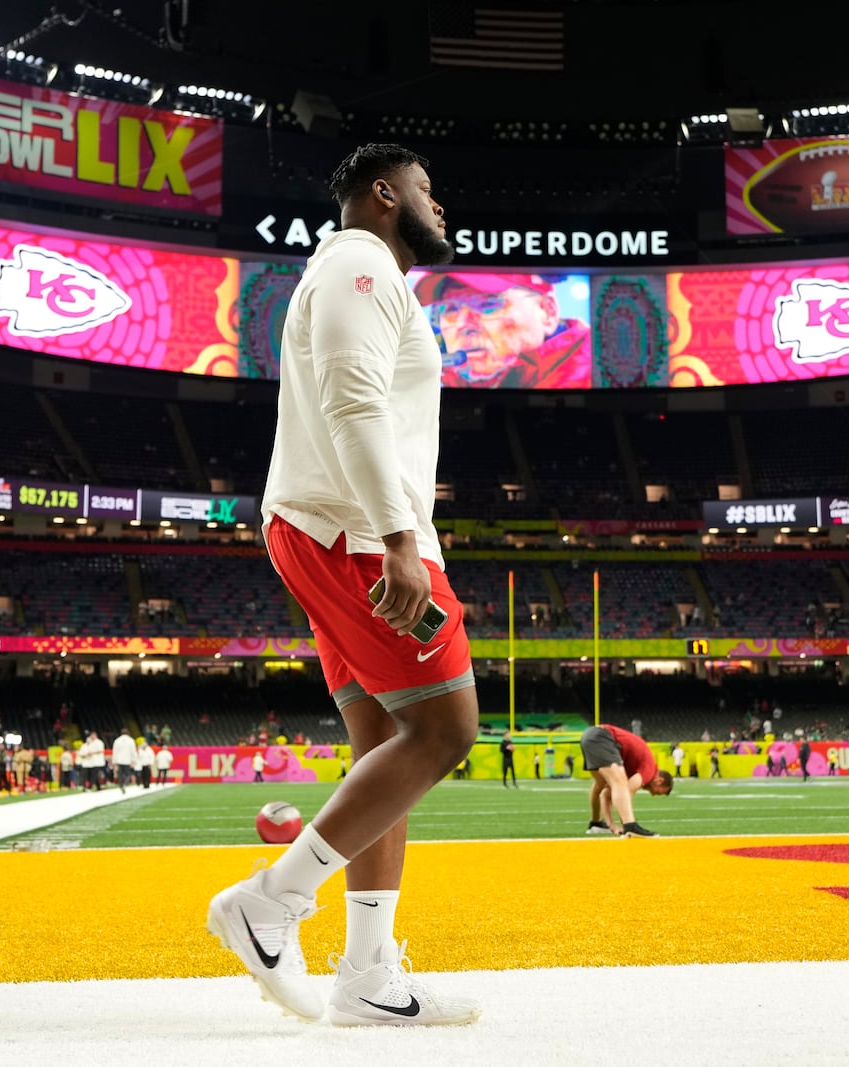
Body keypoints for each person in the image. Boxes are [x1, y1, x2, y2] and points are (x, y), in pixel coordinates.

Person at [206, 144, 480, 1028]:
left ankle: (366, 973)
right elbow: (353, 404)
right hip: (357, 530)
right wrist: (400, 538)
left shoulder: (354, 272)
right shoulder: (363, 263)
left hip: (332, 521)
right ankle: (271, 901)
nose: (442, 206)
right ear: (386, 194)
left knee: (384, 746)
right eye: (430, 191)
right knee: (444, 728)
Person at [414, 273, 591, 389]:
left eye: (487, 305)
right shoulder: (436, 383)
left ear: (548, 312)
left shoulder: (596, 372)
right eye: (451, 310)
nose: (463, 325)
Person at [581, 723, 672, 838]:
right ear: (659, 780)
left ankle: (596, 824)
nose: (653, 794)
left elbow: (605, 795)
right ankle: (630, 826)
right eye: (658, 792)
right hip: (603, 737)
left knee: (601, 784)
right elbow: (627, 790)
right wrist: (625, 822)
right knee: (620, 783)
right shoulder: (650, 770)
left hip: (590, 736)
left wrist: (612, 825)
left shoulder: (635, 768)